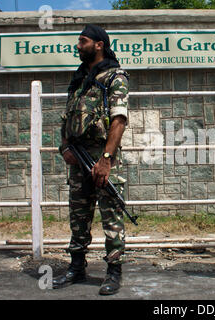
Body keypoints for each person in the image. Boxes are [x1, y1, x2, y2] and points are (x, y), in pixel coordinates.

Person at [52, 24, 129, 296]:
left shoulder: (114, 77)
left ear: (98, 44)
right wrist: (64, 149)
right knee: (78, 217)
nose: (78, 45)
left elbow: (118, 120)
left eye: (83, 41)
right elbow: (66, 119)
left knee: (111, 217)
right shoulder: (79, 78)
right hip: (78, 160)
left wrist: (106, 158)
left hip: (103, 160)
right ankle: (76, 267)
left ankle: (113, 271)